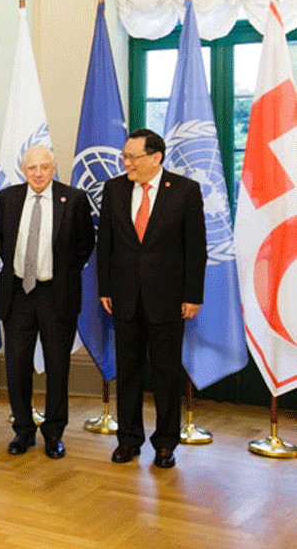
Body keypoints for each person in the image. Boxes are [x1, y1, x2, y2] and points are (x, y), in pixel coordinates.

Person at [98, 128, 206, 469]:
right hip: (125, 297)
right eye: (124, 157)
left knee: (165, 374)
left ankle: (165, 444)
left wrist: (193, 294)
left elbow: (195, 248)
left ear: (155, 158)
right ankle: (128, 440)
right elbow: (106, 245)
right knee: (128, 373)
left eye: (133, 157)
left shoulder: (185, 191)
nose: (126, 163)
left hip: (169, 300)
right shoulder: (114, 189)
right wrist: (105, 288)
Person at [0, 145, 94, 459]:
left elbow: (84, 246)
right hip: (18, 294)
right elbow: (1, 240)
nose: (38, 173)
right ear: (24, 169)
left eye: (44, 167)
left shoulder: (74, 199)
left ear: (54, 168)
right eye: (32, 167)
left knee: (57, 367)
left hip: (56, 295)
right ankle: (22, 431)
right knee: (16, 368)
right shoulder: (7, 199)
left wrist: (58, 274)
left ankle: (53, 434)